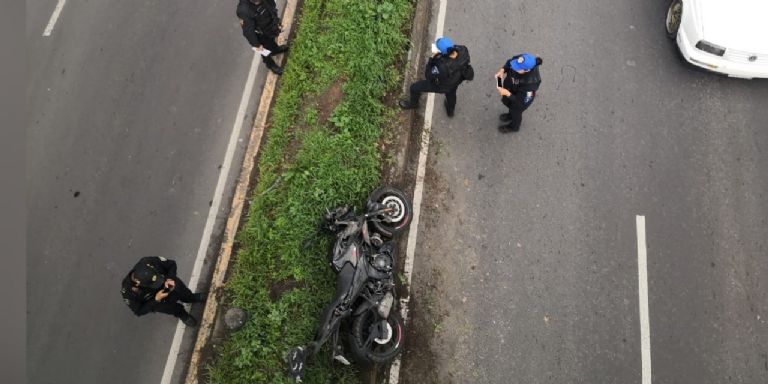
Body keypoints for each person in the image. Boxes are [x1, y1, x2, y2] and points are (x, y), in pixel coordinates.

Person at [121, 256, 206, 327]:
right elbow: (138, 311)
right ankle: (182, 314)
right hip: (156, 300)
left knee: (183, 291)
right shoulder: (128, 291)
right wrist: (156, 299)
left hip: (168, 283)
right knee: (171, 308)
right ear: (137, 284)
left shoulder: (148, 261)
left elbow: (171, 264)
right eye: (152, 283)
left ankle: (191, 298)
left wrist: (170, 278)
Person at [399, 37, 472, 117]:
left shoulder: (442, 67)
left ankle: (413, 104)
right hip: (456, 80)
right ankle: (450, 111)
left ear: (442, 53)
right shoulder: (463, 50)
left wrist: (432, 58)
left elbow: (428, 75)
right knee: (451, 95)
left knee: (414, 87)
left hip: (443, 85)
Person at [237, 0, 289, 75]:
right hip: (261, 35)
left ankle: (275, 50)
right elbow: (248, 32)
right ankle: (270, 65)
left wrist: (277, 21)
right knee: (265, 52)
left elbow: (271, 6)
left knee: (271, 41)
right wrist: (257, 44)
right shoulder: (243, 11)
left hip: (270, 26)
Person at [495, 53, 543, 133]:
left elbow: (520, 101)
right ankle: (510, 115)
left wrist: (507, 93)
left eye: (517, 68)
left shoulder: (531, 84)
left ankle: (514, 127)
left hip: (520, 100)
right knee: (511, 107)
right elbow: (510, 62)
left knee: (516, 112)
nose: (513, 67)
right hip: (512, 89)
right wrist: (503, 70)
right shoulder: (520, 59)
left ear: (527, 70)